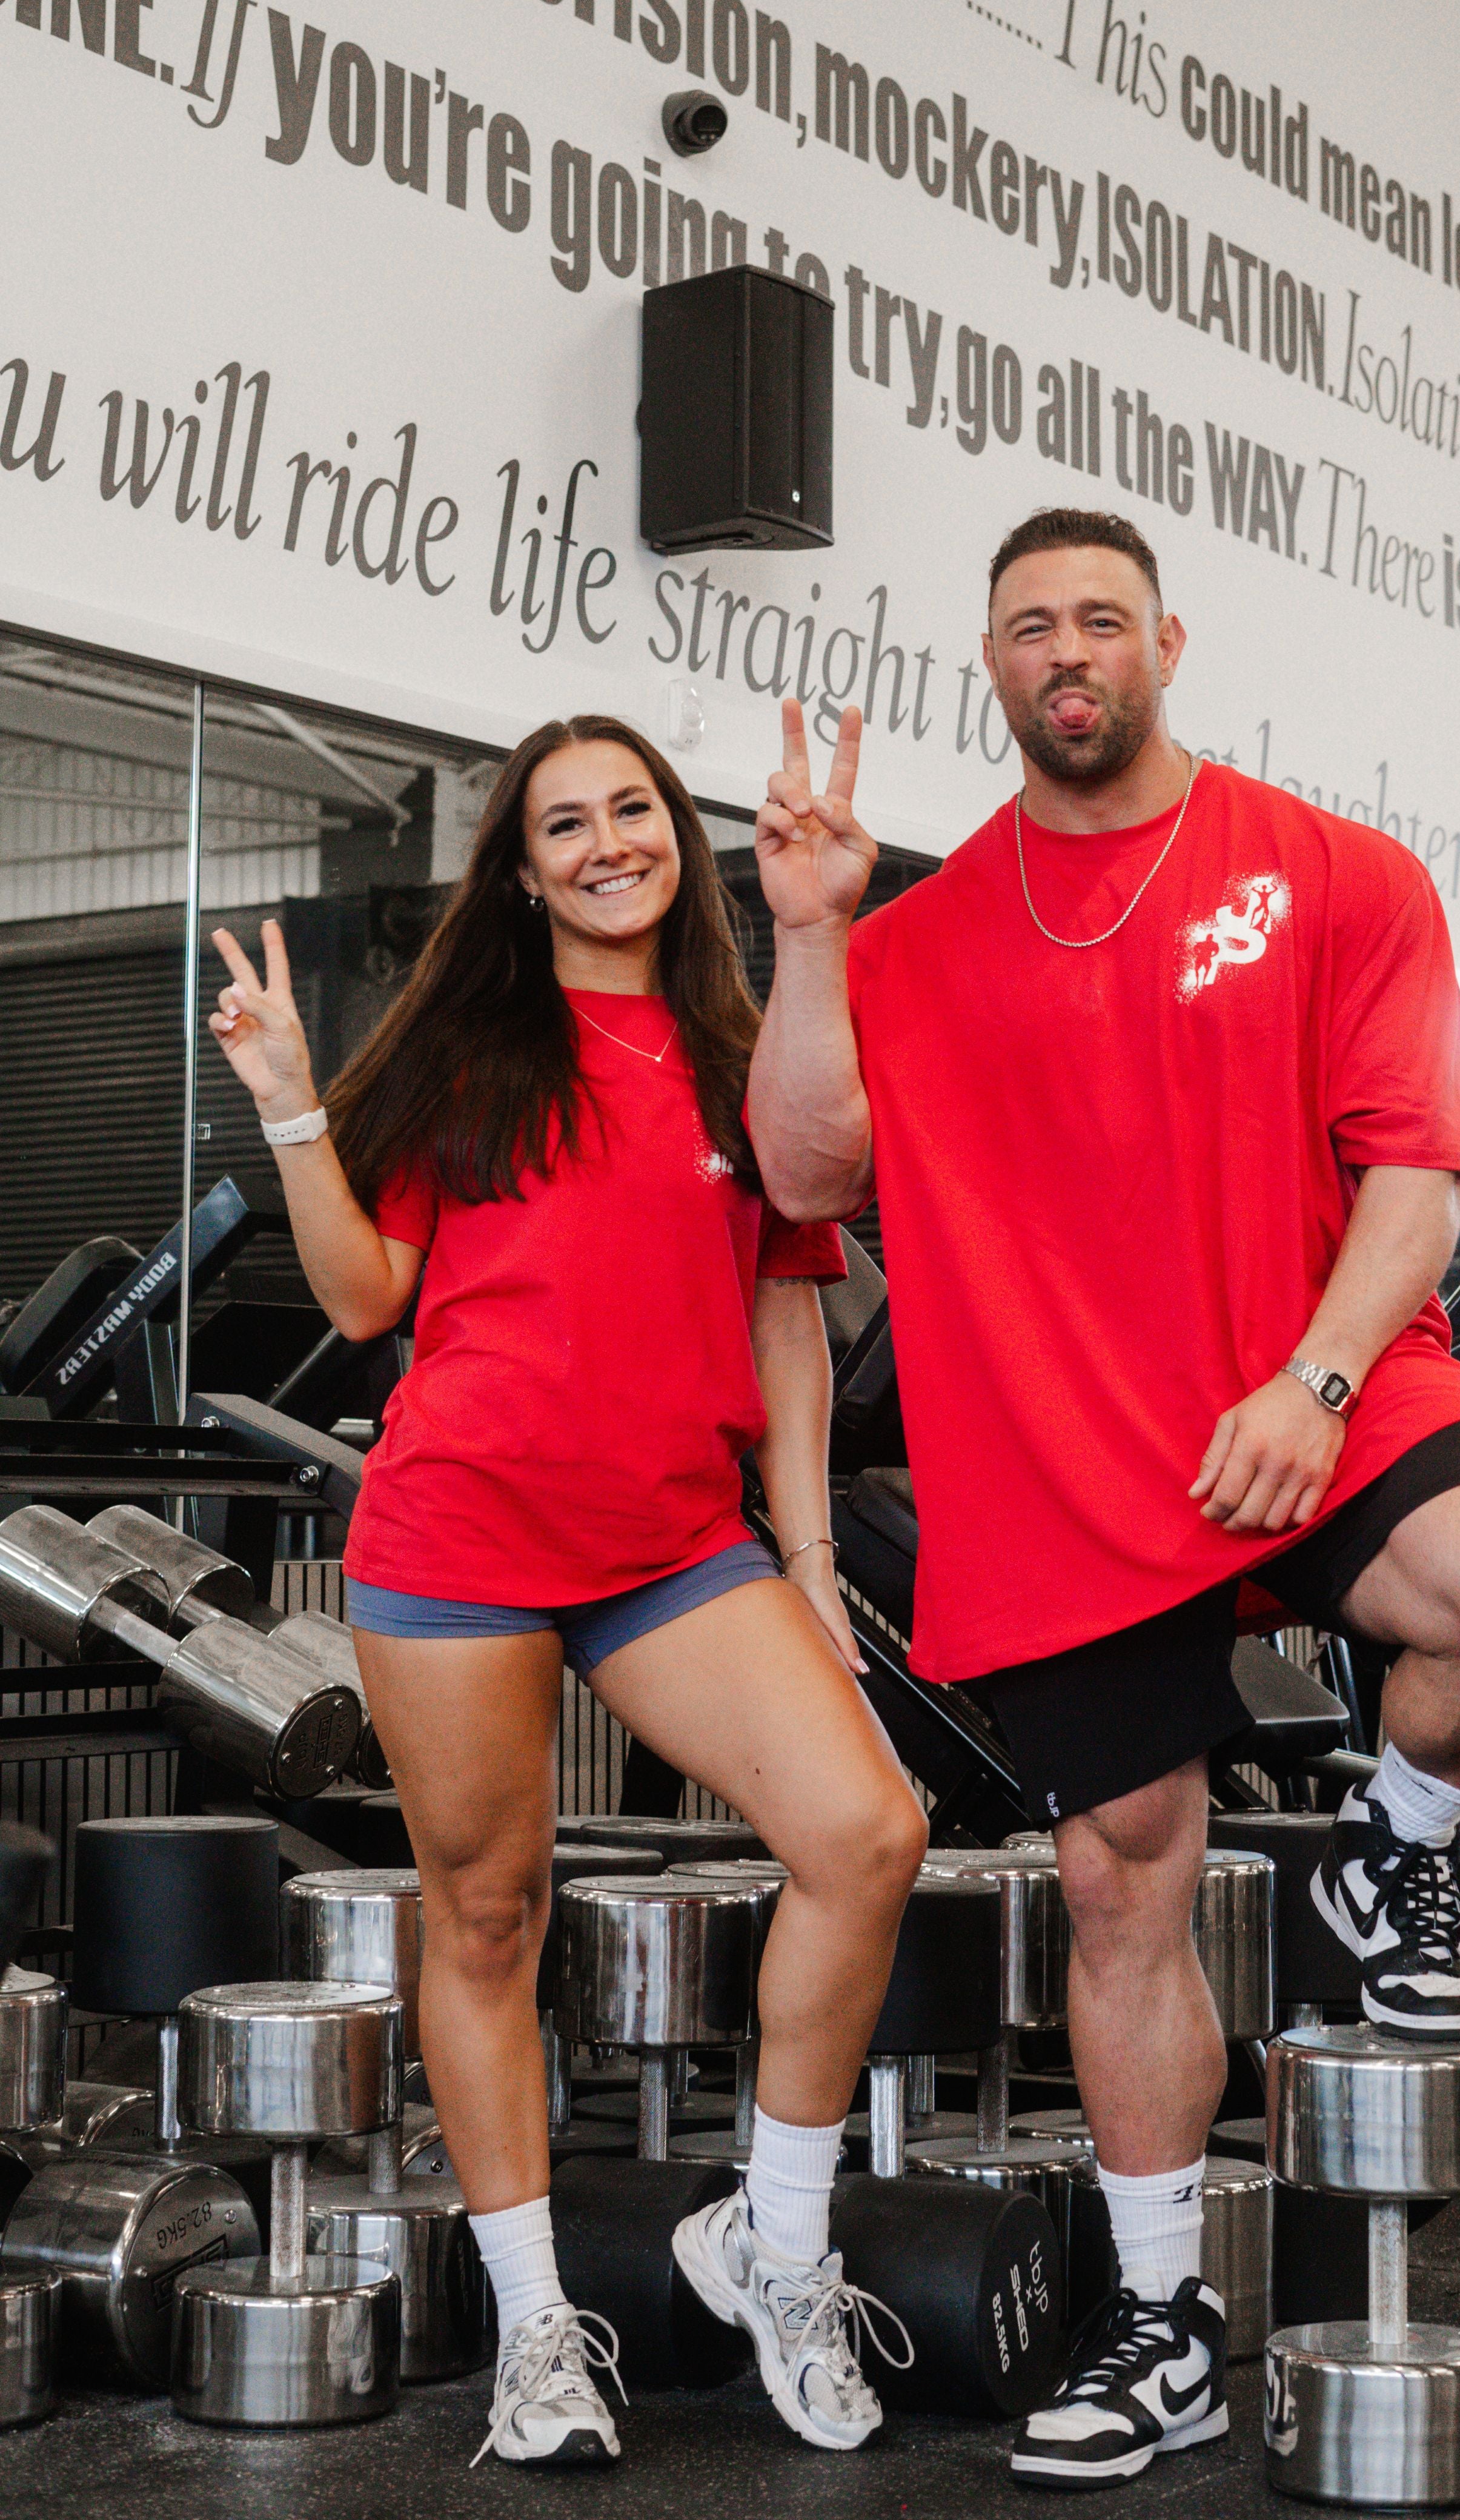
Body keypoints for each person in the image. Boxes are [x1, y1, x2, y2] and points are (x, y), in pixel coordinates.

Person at [745, 509, 1460, 2488]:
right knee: (1122, 1874)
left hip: (1311, 1379)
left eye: (1102, 618)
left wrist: (1310, 1378)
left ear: (1168, 643)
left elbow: (1413, 1170)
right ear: (994, 661)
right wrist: (804, 930)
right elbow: (802, 1174)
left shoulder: (1328, 873)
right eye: (1030, 621)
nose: (1070, 650)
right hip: (1061, 1450)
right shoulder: (918, 944)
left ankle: (1394, 1848)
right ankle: (1165, 2320)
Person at [208, 712, 928, 2472]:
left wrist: (812, 1557)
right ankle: (539, 2322)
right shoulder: (468, 1046)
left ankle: (774, 2233)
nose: (610, 840)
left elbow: (784, 1317)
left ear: (677, 838)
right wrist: (293, 1102)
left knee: (867, 1830)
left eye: (634, 809)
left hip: (675, 1543)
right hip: (455, 1535)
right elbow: (368, 1295)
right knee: (485, 1915)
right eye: (568, 822)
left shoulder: (738, 1058)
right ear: (519, 870)